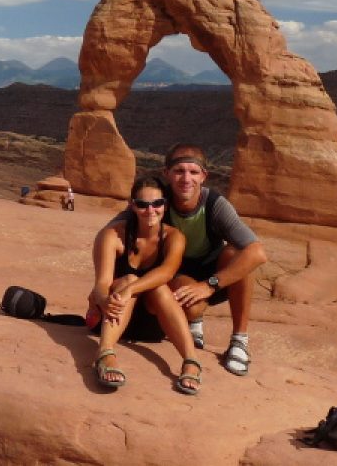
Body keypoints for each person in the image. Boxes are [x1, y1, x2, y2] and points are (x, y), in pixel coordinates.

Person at [88, 176, 201, 394]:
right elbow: (101, 283)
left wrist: (132, 288)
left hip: (152, 324)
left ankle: (191, 360)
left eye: (157, 204)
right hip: (110, 317)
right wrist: (102, 299)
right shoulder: (112, 235)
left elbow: (166, 272)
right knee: (128, 279)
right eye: (142, 204)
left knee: (157, 287)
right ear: (132, 205)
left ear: (165, 205)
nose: (150, 210)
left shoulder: (173, 237)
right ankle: (105, 353)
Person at [162, 144, 267, 377]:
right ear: (166, 174)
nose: (186, 178)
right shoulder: (158, 202)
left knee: (239, 255)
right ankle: (195, 322)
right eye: (179, 171)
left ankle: (239, 340)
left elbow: (258, 252)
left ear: (203, 176)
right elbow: (115, 232)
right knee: (192, 306)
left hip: (214, 278)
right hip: (179, 274)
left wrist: (208, 285)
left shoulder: (215, 205)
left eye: (193, 172)